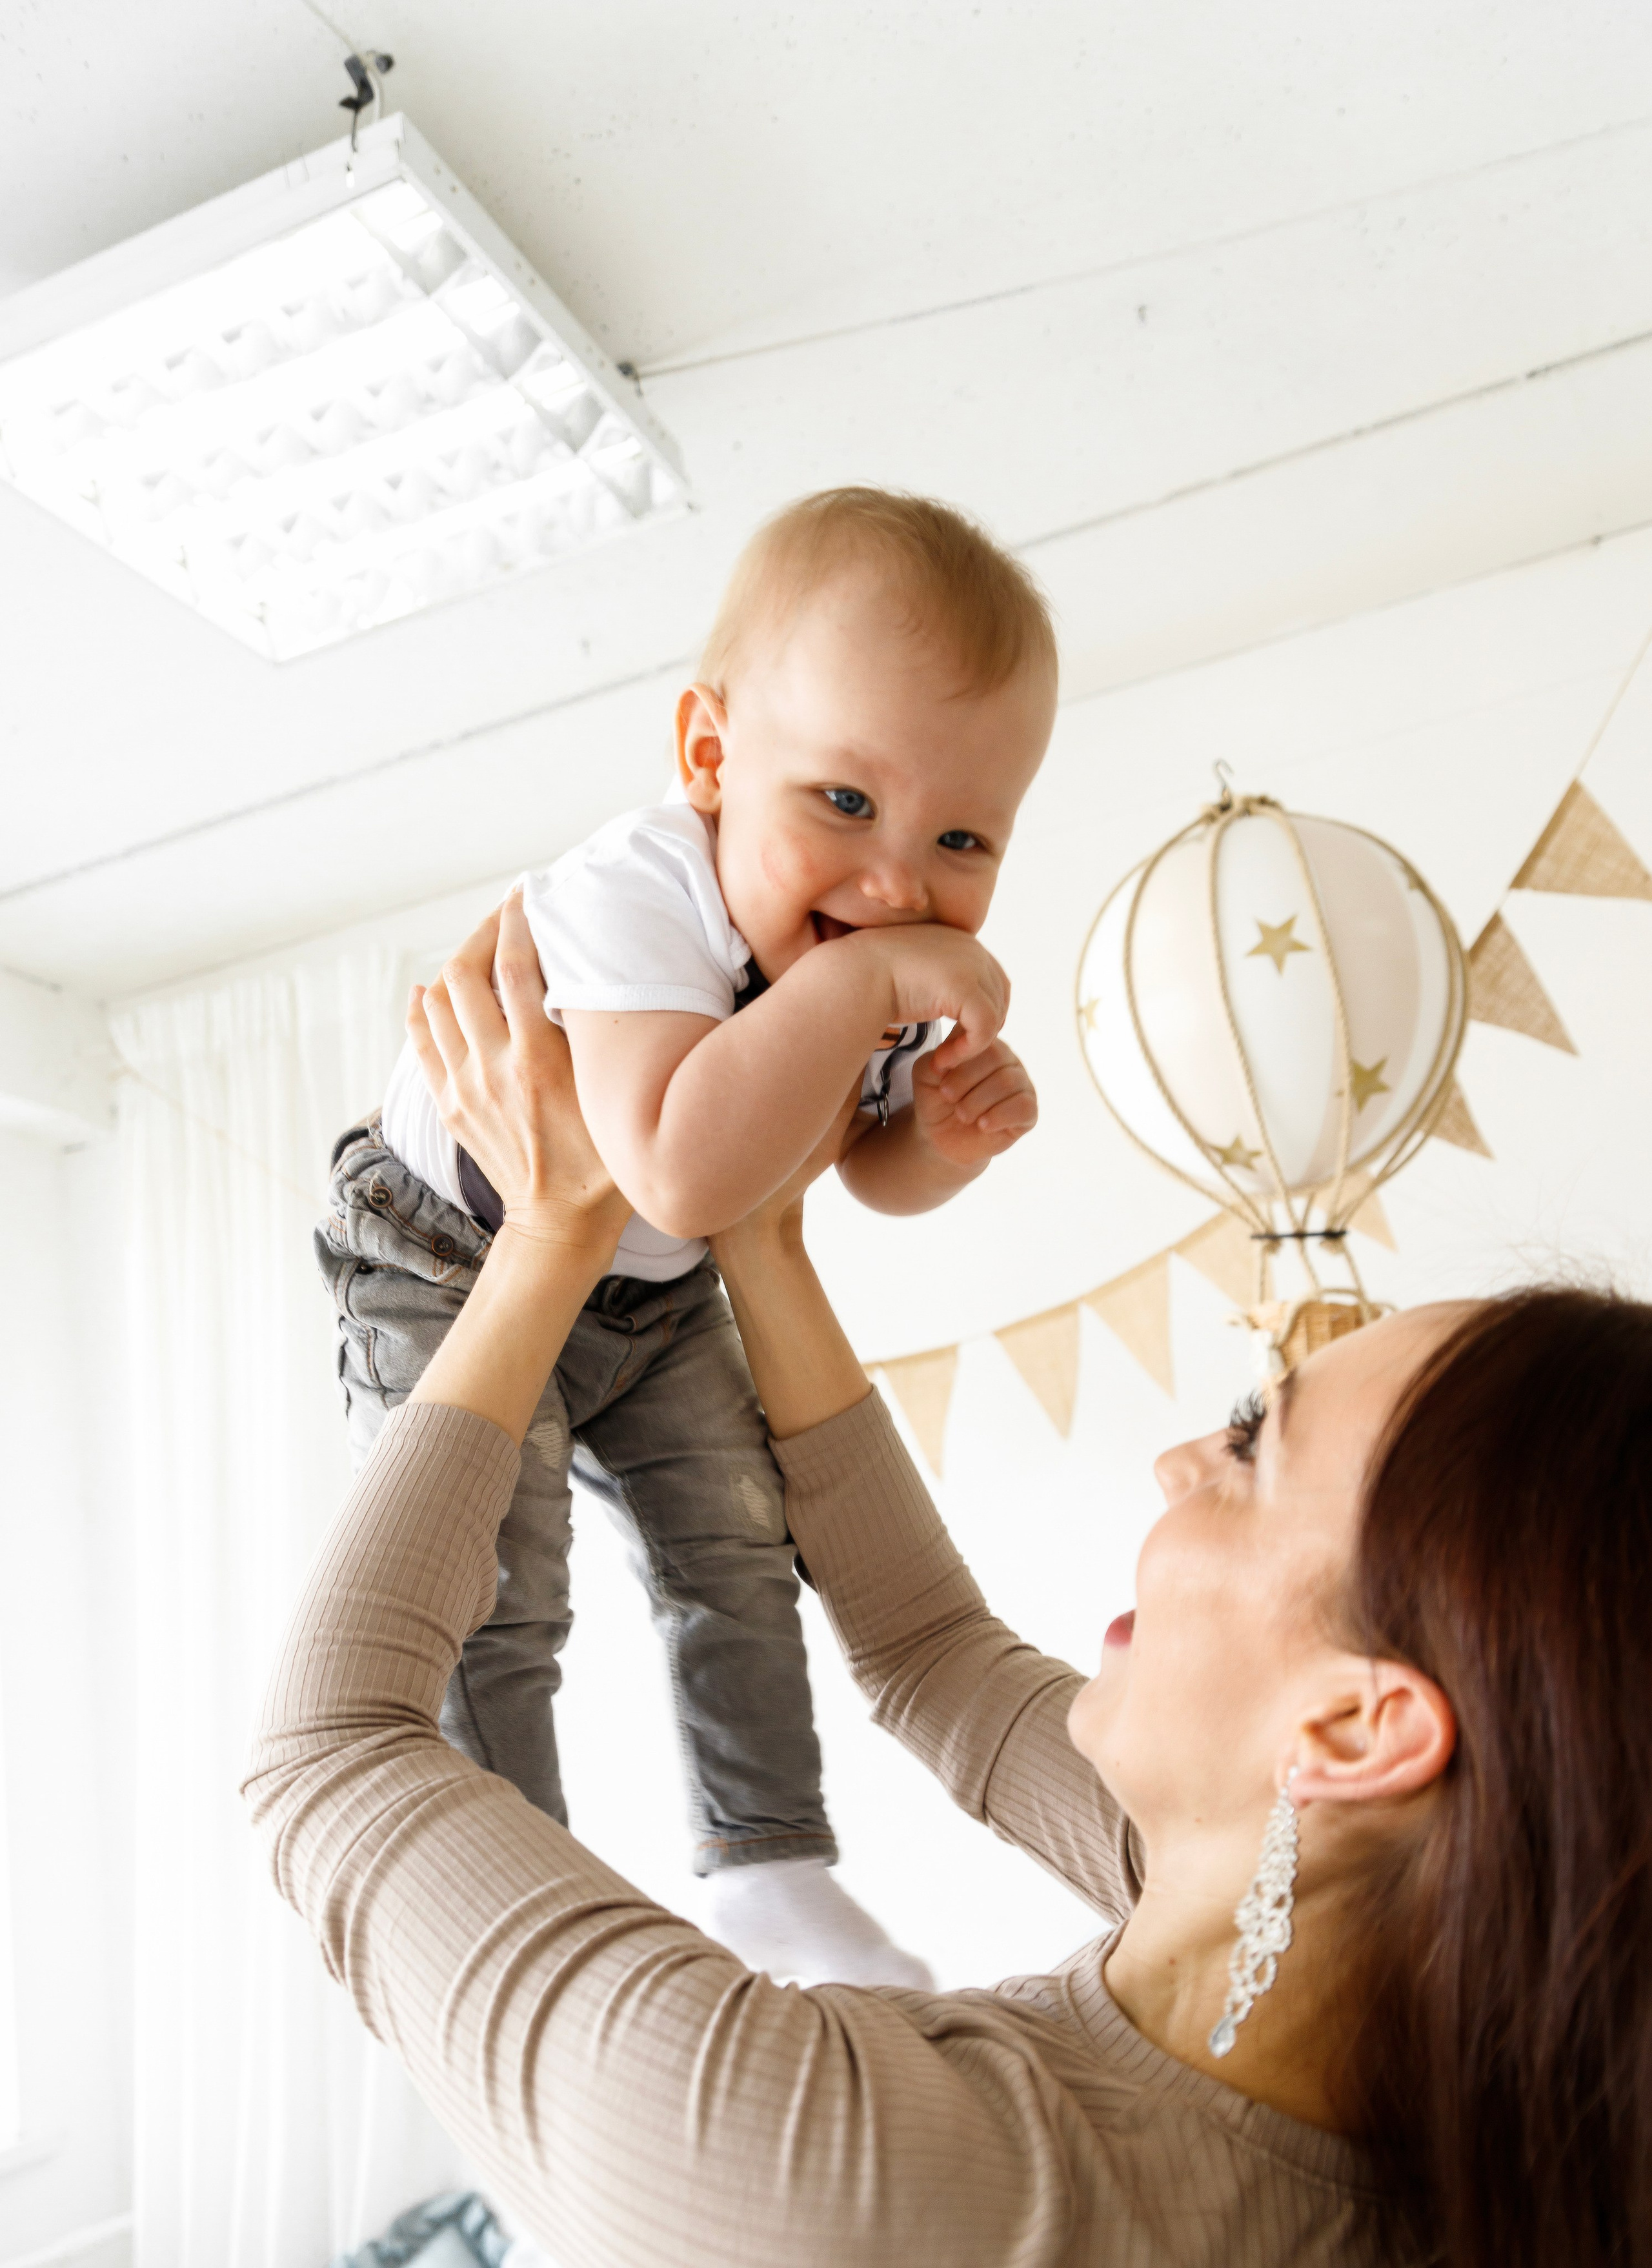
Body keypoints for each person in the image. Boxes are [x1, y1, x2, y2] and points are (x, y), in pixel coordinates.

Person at [250, 901, 1652, 2268]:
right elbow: (935, 1656)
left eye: (1247, 1448)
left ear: (1355, 1730)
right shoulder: (1368, 1969)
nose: (1174, 1461)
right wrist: (758, 1227)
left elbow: (334, 1750)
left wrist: (551, 1228)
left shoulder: (832, 2177)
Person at [314, 487, 1056, 1987]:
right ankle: (510, 1904)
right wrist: (851, 1003)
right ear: (711, 758)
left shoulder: (852, 950)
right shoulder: (636, 892)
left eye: (961, 836)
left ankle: (772, 1865)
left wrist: (940, 1139)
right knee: (495, 1590)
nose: (896, 884)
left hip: (651, 1307)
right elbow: (682, 1175)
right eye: (841, 804)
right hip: (448, 1268)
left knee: (738, 1541)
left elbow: (846, 1179)